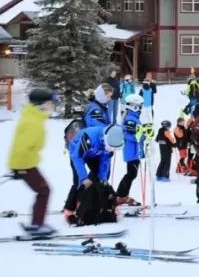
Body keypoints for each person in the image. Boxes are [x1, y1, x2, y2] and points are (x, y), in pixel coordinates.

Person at [7, 88, 58, 237]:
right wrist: (19, 168)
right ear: (40, 104)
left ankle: (37, 223)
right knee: (44, 190)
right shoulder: (33, 121)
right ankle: (37, 225)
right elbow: (21, 146)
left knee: (43, 190)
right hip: (24, 163)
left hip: (26, 162)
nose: (52, 106)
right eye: (50, 103)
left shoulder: (35, 117)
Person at [65, 124, 125, 226]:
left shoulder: (109, 145)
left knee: (99, 182)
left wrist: (103, 179)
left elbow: (104, 162)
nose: (112, 149)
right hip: (77, 153)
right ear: (105, 138)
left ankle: (97, 206)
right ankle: (69, 210)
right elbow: (77, 157)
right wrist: (84, 178)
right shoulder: (88, 137)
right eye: (111, 146)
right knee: (78, 182)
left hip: (94, 155)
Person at [116, 94, 145, 204]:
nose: (141, 108)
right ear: (135, 106)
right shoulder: (130, 119)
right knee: (131, 174)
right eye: (140, 106)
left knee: (131, 174)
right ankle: (121, 195)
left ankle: (121, 195)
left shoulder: (133, 118)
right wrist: (140, 137)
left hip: (134, 151)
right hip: (132, 151)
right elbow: (127, 134)